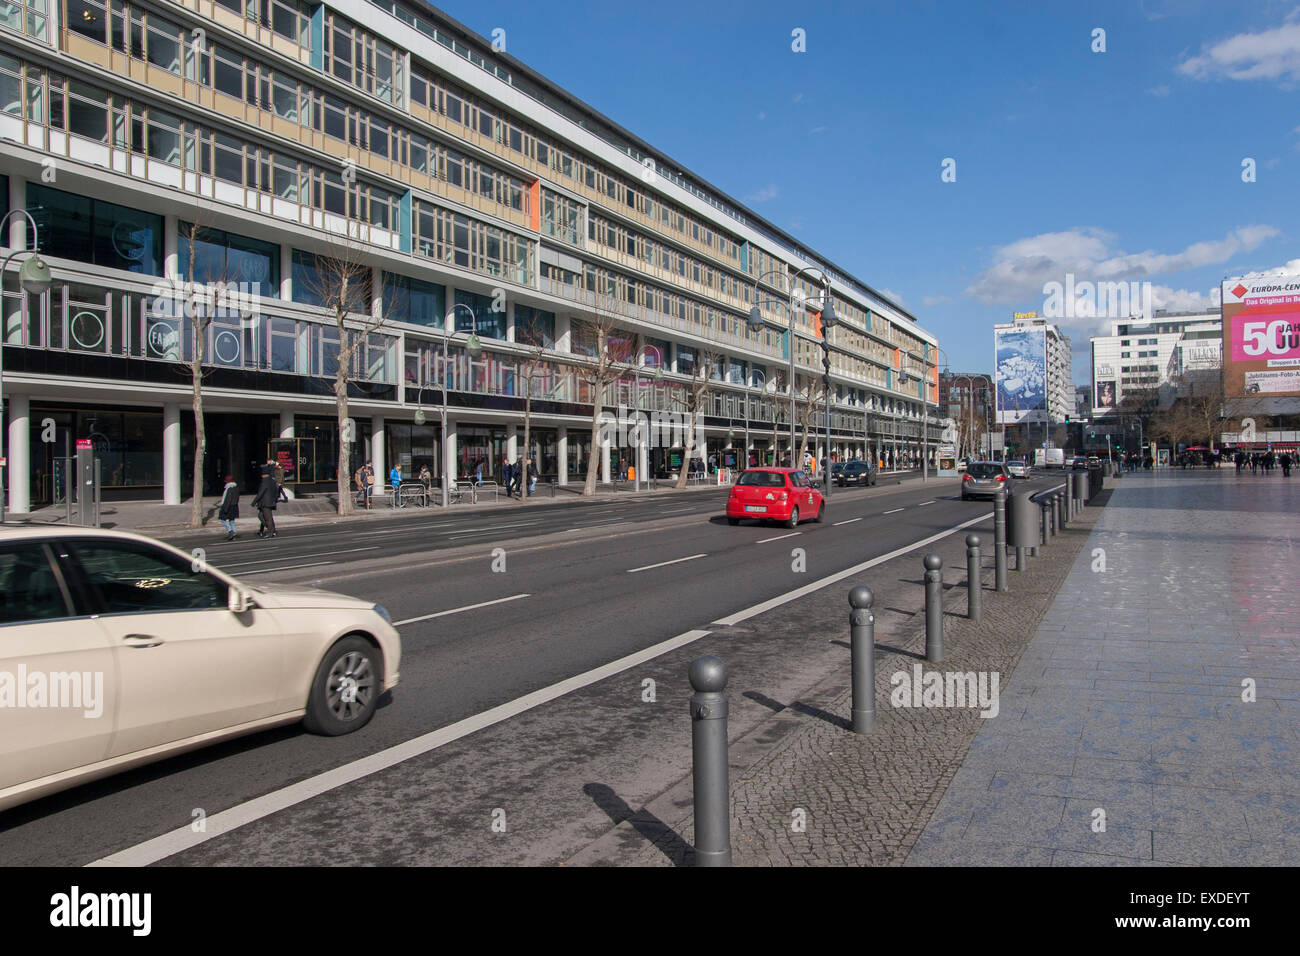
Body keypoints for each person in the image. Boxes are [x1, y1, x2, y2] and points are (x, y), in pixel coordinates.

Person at [253, 466, 279, 538]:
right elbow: (276, 491)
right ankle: (272, 529)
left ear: (264, 474)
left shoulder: (265, 481)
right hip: (270, 501)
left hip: (265, 502)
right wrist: (275, 499)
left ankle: (271, 532)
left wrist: (254, 501)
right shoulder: (272, 481)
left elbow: (261, 492)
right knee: (261, 516)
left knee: (268, 518)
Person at [218, 475, 239, 541]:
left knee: (222, 519)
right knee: (232, 520)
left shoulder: (229, 489)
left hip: (228, 507)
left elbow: (228, 499)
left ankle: (230, 531)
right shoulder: (236, 488)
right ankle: (234, 532)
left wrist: (224, 509)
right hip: (234, 506)